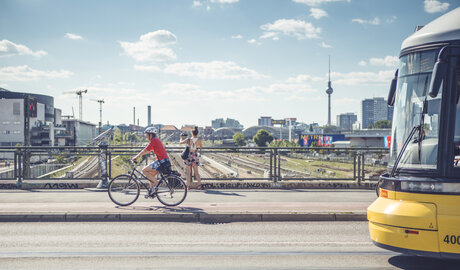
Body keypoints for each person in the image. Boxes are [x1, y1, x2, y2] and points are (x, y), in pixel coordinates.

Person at [132, 127, 170, 195]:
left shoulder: (154, 140)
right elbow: (147, 151)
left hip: (161, 161)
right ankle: (152, 191)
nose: (146, 136)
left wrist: (136, 157)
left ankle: (157, 183)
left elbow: (145, 150)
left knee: (144, 170)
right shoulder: (156, 140)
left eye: (147, 135)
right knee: (150, 175)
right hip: (163, 161)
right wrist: (139, 156)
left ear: (151, 135)